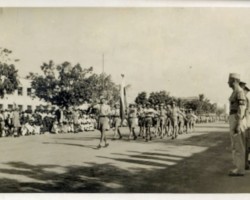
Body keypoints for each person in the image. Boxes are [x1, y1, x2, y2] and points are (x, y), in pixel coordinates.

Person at [228, 73, 247, 176]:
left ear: (234, 80)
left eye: (229, 80)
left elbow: (241, 108)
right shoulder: (235, 91)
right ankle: (238, 167)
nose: (228, 83)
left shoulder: (239, 91)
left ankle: (239, 170)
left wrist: (239, 123)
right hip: (234, 118)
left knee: (238, 144)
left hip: (236, 118)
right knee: (235, 144)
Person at [239, 81, 250, 170]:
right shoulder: (246, 99)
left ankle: (245, 164)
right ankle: (245, 163)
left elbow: (244, 113)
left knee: (245, 145)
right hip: (246, 123)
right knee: (245, 145)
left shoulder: (245, 99)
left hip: (245, 123)